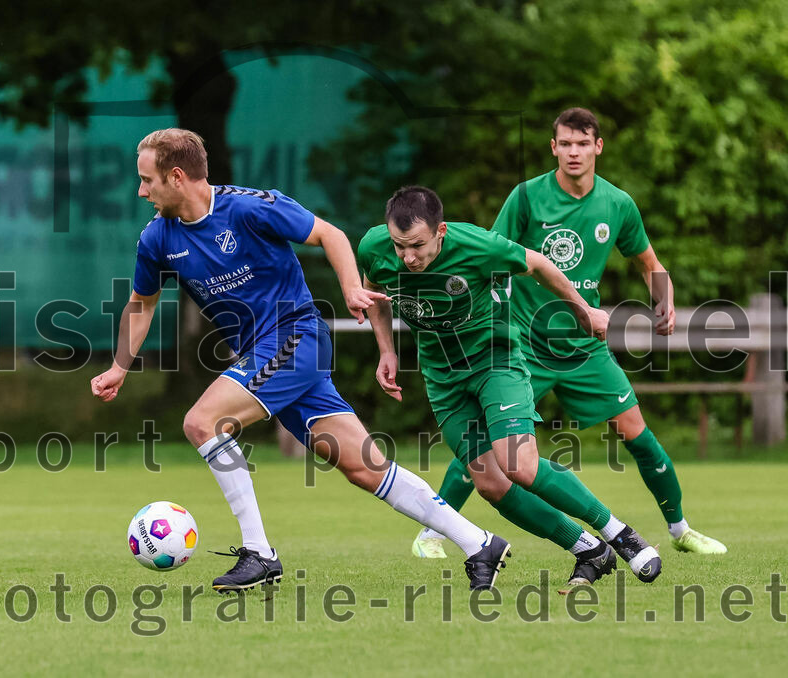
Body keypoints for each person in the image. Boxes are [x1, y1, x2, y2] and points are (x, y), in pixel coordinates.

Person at [91, 128, 511, 592]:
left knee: (202, 423)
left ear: (176, 176)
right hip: (266, 355)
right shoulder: (157, 238)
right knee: (365, 468)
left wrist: (351, 288)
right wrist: (119, 367)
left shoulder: (250, 208)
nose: (141, 191)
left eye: (146, 180)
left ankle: (259, 552)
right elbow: (142, 304)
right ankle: (479, 542)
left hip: (296, 338)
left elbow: (330, 234)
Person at [417, 108, 726, 558]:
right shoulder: (526, 198)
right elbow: (489, 257)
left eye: (582, 143)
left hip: (584, 346)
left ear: (598, 146)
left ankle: (681, 530)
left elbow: (648, 263)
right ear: (553, 148)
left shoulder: (617, 204)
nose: (573, 152)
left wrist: (664, 299)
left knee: (637, 433)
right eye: (565, 144)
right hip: (523, 344)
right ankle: (431, 534)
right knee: (485, 444)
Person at [359, 185, 663, 588]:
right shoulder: (373, 247)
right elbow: (375, 292)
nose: (408, 257)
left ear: (440, 231)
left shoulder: (477, 245)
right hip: (443, 379)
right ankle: (589, 550)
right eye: (400, 246)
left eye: (417, 245)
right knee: (490, 484)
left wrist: (583, 310)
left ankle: (619, 534)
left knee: (519, 465)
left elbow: (538, 264)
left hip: (495, 362)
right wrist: (387, 350)